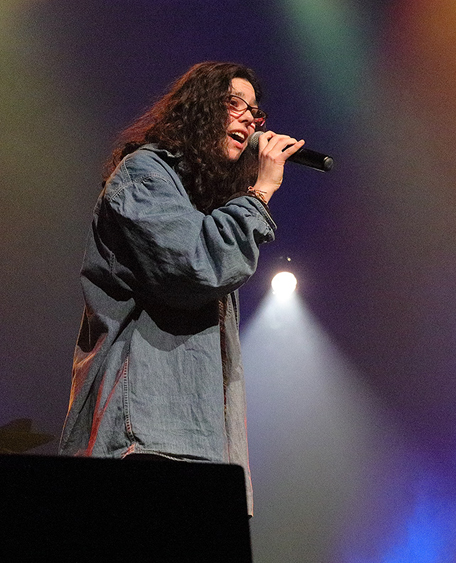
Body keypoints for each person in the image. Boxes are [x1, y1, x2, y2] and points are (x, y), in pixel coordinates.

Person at [59, 61, 304, 515]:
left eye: (256, 112)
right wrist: (259, 194)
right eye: (235, 104)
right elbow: (195, 267)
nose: (250, 119)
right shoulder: (144, 174)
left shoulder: (203, 205)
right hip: (145, 436)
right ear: (199, 109)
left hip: (202, 447)